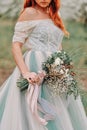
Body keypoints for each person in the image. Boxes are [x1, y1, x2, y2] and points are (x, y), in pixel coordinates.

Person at [0, 0, 87, 130]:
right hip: (35, 64)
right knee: (35, 105)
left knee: (58, 105)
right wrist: (26, 73)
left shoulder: (55, 13)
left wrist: (64, 65)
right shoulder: (29, 12)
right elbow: (16, 45)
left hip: (56, 66)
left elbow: (57, 45)